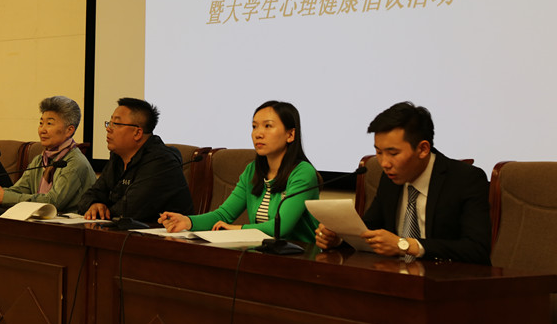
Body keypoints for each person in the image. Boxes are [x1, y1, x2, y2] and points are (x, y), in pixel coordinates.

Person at [315, 101, 492, 265]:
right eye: (379, 152)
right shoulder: (390, 179)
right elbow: (369, 230)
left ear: (423, 149)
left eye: (393, 153)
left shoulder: (465, 179)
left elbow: (476, 249)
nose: (384, 163)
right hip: (396, 276)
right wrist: (338, 239)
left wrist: (406, 245)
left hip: (446, 280)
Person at [159, 100, 319, 242]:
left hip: (301, 255)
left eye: (268, 126)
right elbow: (224, 215)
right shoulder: (253, 170)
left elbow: (280, 227)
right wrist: (187, 221)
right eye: (254, 126)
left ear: (290, 135)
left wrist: (237, 229)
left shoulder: (302, 172)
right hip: (266, 251)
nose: (258, 134)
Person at [0, 96, 96, 213]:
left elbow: (52, 202)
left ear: (69, 130)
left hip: (71, 226)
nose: (42, 130)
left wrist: (4, 197)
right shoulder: (41, 159)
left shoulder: (74, 162)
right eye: (41, 123)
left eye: (49, 124)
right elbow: (20, 189)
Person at [78, 98, 193, 223]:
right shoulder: (118, 157)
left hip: (163, 233)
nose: (108, 129)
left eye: (116, 124)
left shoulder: (162, 162)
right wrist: (94, 205)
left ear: (137, 133)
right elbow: (88, 197)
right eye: (109, 123)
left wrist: (102, 211)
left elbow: (129, 210)